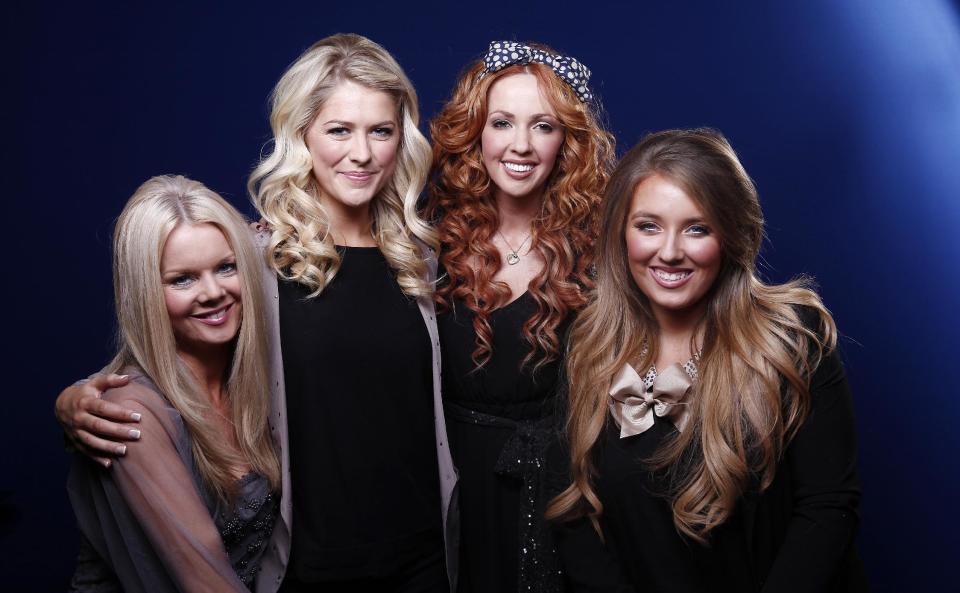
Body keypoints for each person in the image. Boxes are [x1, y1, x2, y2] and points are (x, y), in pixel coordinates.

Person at [57, 34, 456, 593]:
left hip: (424, 564)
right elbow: (170, 349)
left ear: (401, 138)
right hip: (309, 567)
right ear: (302, 136)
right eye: (339, 130)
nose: (362, 153)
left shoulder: (420, 259)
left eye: (380, 131)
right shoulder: (254, 257)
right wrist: (78, 398)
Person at [546, 128, 866, 592]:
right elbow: (574, 513)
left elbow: (828, 508)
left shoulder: (793, 338)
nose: (670, 251)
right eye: (648, 226)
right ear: (620, 232)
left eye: (697, 228)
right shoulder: (589, 344)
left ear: (731, 234)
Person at [426, 41, 615, 593]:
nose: (521, 145)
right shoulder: (429, 241)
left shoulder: (600, 251)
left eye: (544, 126)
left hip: (563, 497)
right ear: (475, 132)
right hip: (450, 491)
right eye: (502, 122)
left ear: (567, 142)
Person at [67, 175, 281, 592]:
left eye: (226, 267)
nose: (213, 292)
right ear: (145, 293)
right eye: (182, 279)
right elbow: (203, 582)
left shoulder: (255, 383)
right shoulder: (129, 413)